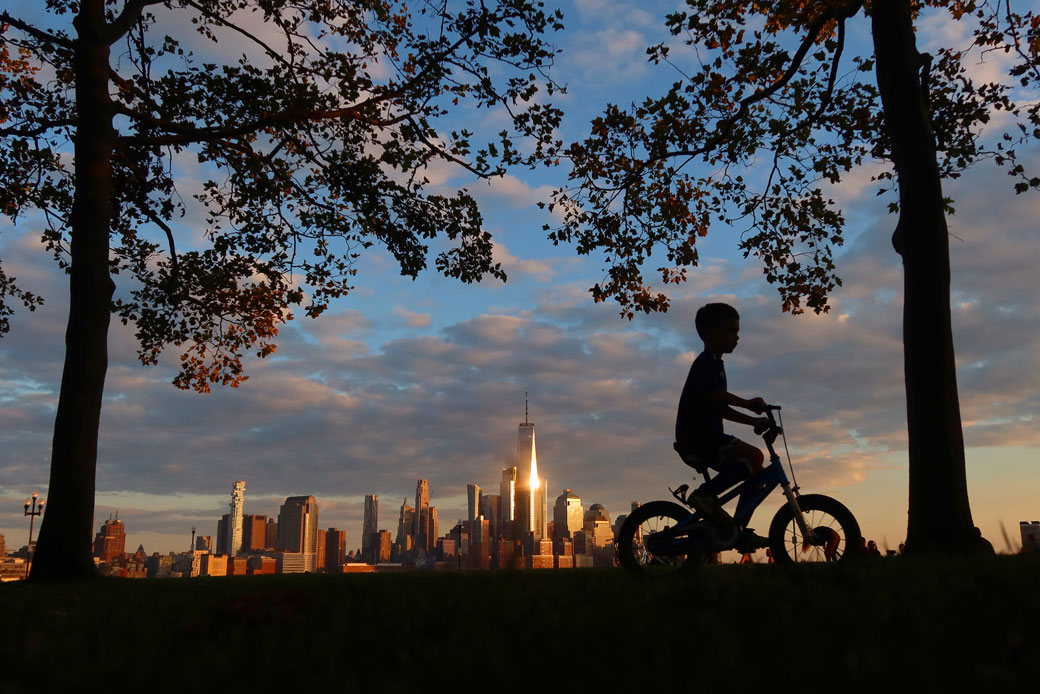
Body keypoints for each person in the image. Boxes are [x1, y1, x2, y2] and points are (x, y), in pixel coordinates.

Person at [675, 302, 771, 550]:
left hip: (708, 436)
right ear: (708, 334)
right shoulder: (707, 363)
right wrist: (749, 405)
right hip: (699, 437)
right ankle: (704, 495)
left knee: (755, 470)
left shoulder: (716, 363)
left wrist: (752, 421)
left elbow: (720, 408)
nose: (736, 337)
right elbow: (719, 397)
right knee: (754, 456)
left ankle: (738, 529)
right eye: (730, 330)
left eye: (737, 331)